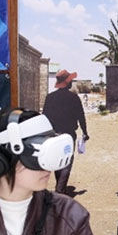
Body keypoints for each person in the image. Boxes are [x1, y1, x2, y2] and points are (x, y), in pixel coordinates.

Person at [43, 69, 89, 197]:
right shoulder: (74, 98)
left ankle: (60, 186)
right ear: (67, 83)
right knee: (67, 161)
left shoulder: (50, 98)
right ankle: (60, 189)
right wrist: (85, 132)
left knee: (58, 160)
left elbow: (44, 117)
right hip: (68, 135)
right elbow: (81, 116)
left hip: (54, 135)